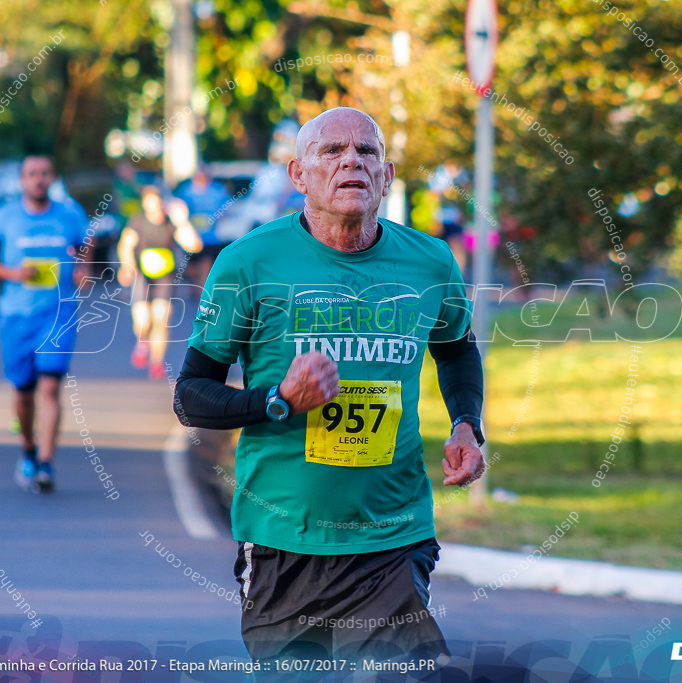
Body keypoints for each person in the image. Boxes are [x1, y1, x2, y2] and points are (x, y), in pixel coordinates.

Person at [173, 108, 486, 664]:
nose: (351, 162)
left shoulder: (431, 262)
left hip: (394, 535)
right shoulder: (248, 263)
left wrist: (466, 423)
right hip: (284, 537)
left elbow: (457, 348)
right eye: (332, 151)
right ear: (297, 175)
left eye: (367, 153)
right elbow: (192, 394)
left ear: (387, 176)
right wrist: (277, 401)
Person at [0, 155, 90, 493]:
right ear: (22, 181)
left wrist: (83, 270)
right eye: (32, 174)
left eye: (45, 174)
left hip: (58, 316)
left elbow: (84, 249)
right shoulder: (2, 219)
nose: (39, 179)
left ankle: (46, 464)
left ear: (53, 178)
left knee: (50, 387)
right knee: (23, 392)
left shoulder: (70, 215)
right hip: (16, 317)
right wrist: (13, 273)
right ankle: (27, 448)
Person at [117, 187, 202, 379]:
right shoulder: (138, 220)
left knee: (161, 318)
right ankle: (142, 341)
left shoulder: (171, 222)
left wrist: (183, 221)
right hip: (142, 275)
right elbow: (126, 244)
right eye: (150, 202)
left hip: (165, 275)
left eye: (157, 202)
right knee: (143, 320)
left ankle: (156, 362)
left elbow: (194, 245)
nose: (154, 206)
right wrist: (126, 266)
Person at [174, 165, 231, 285]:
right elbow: (178, 210)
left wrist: (217, 218)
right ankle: (195, 290)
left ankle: (201, 294)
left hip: (210, 239)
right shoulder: (186, 191)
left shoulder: (217, 190)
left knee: (206, 266)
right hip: (190, 240)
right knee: (192, 270)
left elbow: (225, 210)